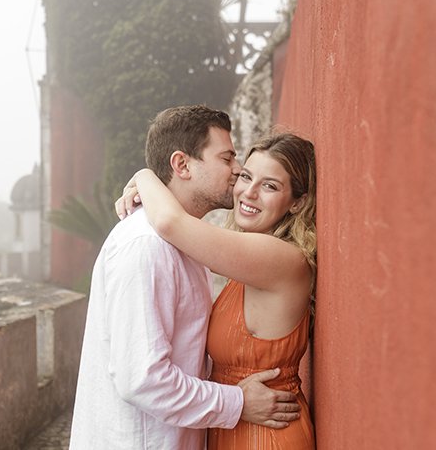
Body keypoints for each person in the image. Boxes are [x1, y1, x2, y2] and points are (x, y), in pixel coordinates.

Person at [69, 105, 299, 450]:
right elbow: (142, 380)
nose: (237, 173)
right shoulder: (147, 247)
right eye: (226, 159)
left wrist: (144, 176)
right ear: (182, 165)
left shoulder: (187, 244)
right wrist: (236, 402)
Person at [114, 132, 318, 449]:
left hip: (267, 435)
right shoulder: (247, 264)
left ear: (297, 203)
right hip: (237, 423)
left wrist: (144, 176)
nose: (249, 193)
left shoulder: (280, 260)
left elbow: (170, 223)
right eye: (246, 177)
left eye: (270, 186)